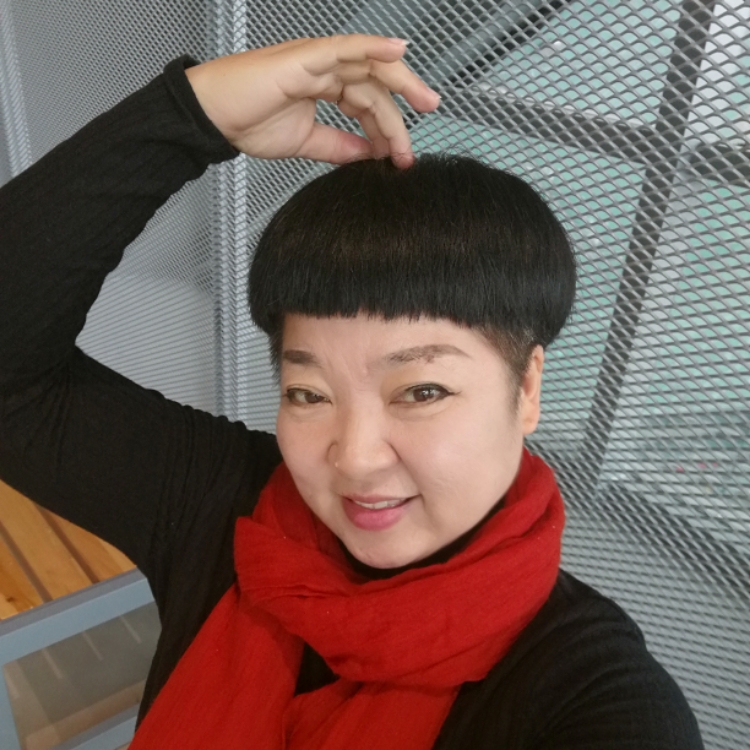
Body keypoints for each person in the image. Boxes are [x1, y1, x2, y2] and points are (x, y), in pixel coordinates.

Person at [0, 34, 703, 750]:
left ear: (525, 388)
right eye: (309, 393)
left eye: (421, 390)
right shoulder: (228, 510)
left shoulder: (588, 692)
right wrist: (190, 116)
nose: (356, 458)